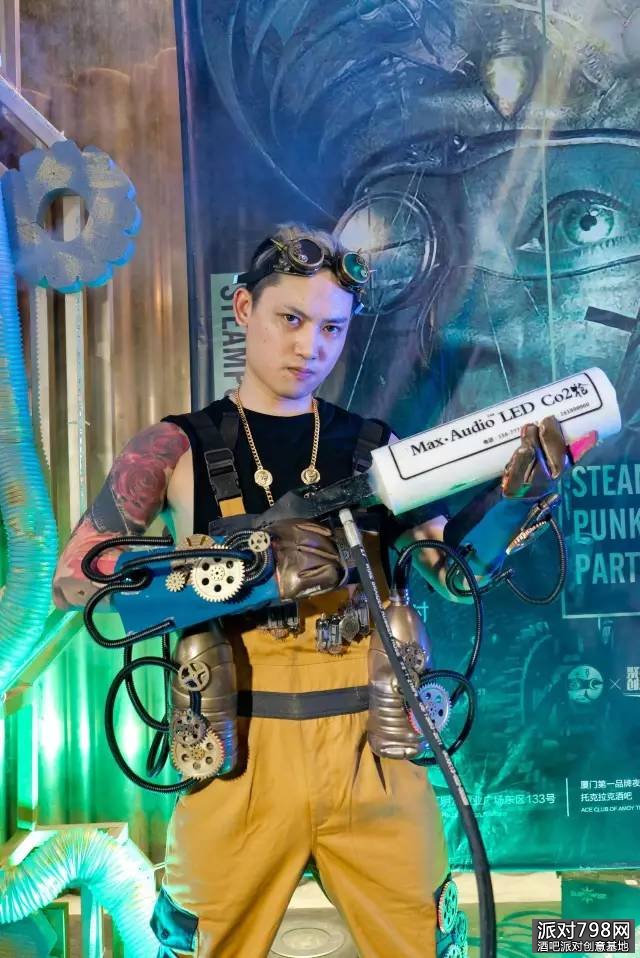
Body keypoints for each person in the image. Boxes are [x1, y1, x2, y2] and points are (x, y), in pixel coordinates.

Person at [53, 224, 594, 958]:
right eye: (291, 318)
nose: (310, 345)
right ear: (244, 309)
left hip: (376, 750)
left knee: (425, 942)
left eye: (332, 328)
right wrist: (249, 574)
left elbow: (454, 575)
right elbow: (76, 578)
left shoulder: (378, 448)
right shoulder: (175, 445)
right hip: (237, 754)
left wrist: (515, 501)